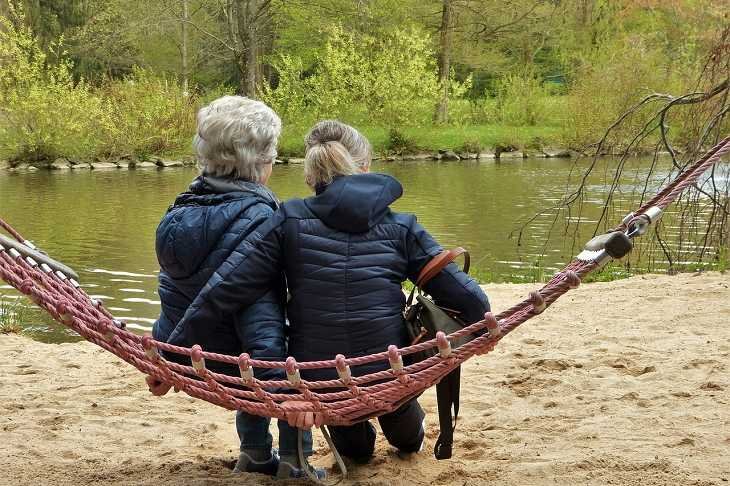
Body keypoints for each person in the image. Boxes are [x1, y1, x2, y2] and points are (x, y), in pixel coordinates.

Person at [169, 120, 490, 462]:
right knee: (405, 431)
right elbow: (467, 297)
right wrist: (483, 328)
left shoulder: (287, 219)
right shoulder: (402, 226)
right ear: (365, 167)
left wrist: (171, 354)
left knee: (357, 453)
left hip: (322, 382)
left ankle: (368, 430)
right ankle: (404, 427)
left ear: (311, 176)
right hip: (391, 369)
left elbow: (227, 289)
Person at [147, 95, 319, 479]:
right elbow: (263, 318)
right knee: (299, 341)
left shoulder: (178, 212)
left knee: (251, 345)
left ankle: (255, 452)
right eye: (272, 154)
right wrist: (283, 394)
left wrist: (164, 353)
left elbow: (175, 292)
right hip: (241, 360)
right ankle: (296, 460)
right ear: (260, 162)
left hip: (193, 352)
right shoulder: (262, 219)